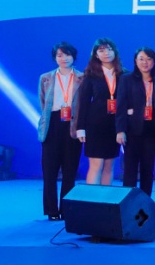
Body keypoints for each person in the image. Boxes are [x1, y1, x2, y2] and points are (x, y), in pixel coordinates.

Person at [37, 41, 83, 221]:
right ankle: (51, 210)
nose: (64, 58)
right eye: (59, 55)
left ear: (74, 56)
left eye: (67, 54)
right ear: (55, 58)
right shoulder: (45, 78)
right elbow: (43, 104)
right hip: (52, 124)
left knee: (70, 171)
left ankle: (67, 209)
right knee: (49, 171)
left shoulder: (82, 78)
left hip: (73, 125)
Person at [74, 37, 125, 186]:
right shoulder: (90, 75)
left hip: (115, 125)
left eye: (109, 49)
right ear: (96, 54)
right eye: (101, 50)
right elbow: (83, 103)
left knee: (109, 166)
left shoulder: (123, 75)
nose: (106, 53)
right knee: (96, 165)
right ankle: (93, 198)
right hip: (95, 125)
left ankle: (105, 199)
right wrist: (80, 128)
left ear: (115, 52)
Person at [117, 46, 155, 199]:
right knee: (129, 169)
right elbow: (121, 106)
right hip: (132, 129)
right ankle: (127, 204)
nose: (145, 62)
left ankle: (145, 203)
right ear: (135, 61)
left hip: (153, 130)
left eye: (149, 59)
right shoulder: (126, 79)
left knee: (147, 169)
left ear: (154, 62)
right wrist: (120, 130)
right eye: (141, 59)